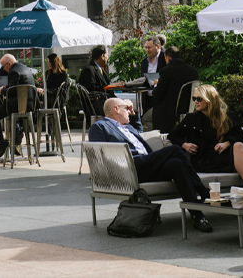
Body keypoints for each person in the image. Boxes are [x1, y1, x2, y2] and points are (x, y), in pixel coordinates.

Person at [88, 98, 213, 233]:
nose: (129, 112)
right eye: (126, 109)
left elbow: (138, 131)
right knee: (175, 150)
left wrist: (133, 113)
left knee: (176, 164)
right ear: (116, 109)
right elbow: (100, 152)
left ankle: (197, 216)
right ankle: (200, 188)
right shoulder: (100, 126)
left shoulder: (127, 127)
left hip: (146, 164)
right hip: (130, 167)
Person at [167, 85, 243, 222]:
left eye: (199, 99)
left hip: (226, 157)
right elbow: (173, 136)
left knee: (239, 146)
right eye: (194, 98)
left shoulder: (227, 117)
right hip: (205, 161)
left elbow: (241, 138)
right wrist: (184, 144)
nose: (196, 102)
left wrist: (227, 142)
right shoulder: (191, 119)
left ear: (209, 100)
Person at [0, 54, 38, 158]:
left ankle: (2, 143)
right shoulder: (25, 68)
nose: (3, 69)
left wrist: (3, 90)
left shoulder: (13, 71)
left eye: (3, 66)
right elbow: (16, 87)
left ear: (9, 64)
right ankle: (15, 139)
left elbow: (12, 91)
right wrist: (7, 87)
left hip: (16, 106)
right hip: (30, 106)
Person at [152, 46, 198, 133]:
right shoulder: (192, 71)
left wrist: (156, 85)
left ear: (168, 58)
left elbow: (158, 94)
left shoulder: (166, 71)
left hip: (169, 112)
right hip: (189, 108)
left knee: (146, 118)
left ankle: (155, 142)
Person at [140, 35, 167, 113]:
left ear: (158, 47)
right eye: (146, 48)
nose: (147, 50)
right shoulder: (144, 62)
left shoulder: (165, 58)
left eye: (150, 48)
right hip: (147, 99)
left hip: (161, 99)